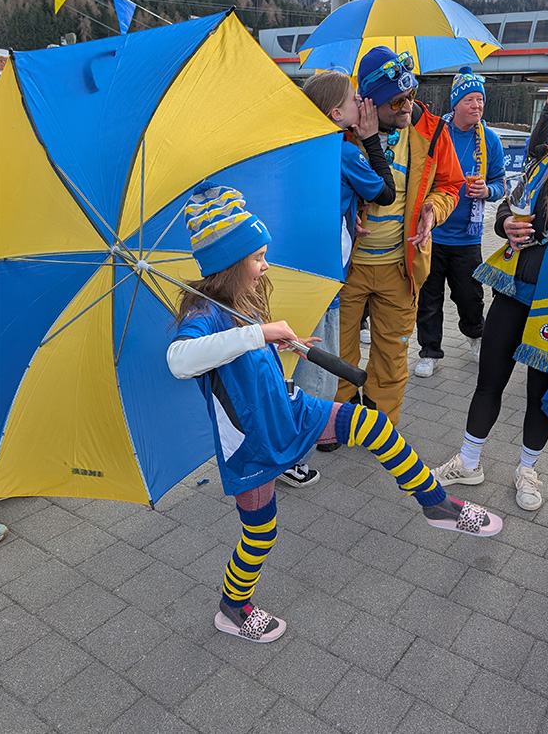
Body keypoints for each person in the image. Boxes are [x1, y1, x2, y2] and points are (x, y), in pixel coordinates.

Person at [167, 184, 502, 643]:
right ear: (229, 262)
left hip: (290, 411)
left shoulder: (242, 299)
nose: (265, 265)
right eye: (257, 257)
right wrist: (259, 334)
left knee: (372, 423)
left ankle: (436, 505)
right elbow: (179, 361)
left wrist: (284, 344)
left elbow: (249, 363)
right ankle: (232, 608)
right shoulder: (204, 312)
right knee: (260, 535)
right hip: (253, 443)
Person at [432, 77, 548, 511]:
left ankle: (528, 470)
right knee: (489, 380)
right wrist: (505, 224)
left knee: (540, 390)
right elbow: (509, 207)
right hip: (515, 289)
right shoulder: (543, 161)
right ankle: (468, 462)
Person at [335, 47, 464, 424]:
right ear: (370, 104)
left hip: (402, 266)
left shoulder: (433, 130)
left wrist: (433, 210)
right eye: (397, 101)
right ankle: (341, 418)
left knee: (391, 353)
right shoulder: (341, 132)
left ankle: (379, 422)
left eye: (410, 95)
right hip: (347, 268)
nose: (407, 105)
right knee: (341, 351)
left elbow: (451, 186)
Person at [280, 70, 396, 486]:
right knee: (319, 371)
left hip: (290, 268)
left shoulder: (295, 146)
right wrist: (369, 138)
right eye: (352, 100)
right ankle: (292, 455)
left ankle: (281, 439)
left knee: (290, 357)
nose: (360, 103)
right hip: (325, 278)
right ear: (336, 114)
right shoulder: (344, 151)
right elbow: (385, 192)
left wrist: (348, 216)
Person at [414, 67, 505, 377]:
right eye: (470, 100)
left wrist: (487, 190)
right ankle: (429, 351)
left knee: (470, 295)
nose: (477, 106)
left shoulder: (489, 140)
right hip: (433, 231)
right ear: (455, 103)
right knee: (429, 297)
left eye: (481, 99)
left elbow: (501, 184)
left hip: (468, 236)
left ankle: (475, 336)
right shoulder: (436, 131)